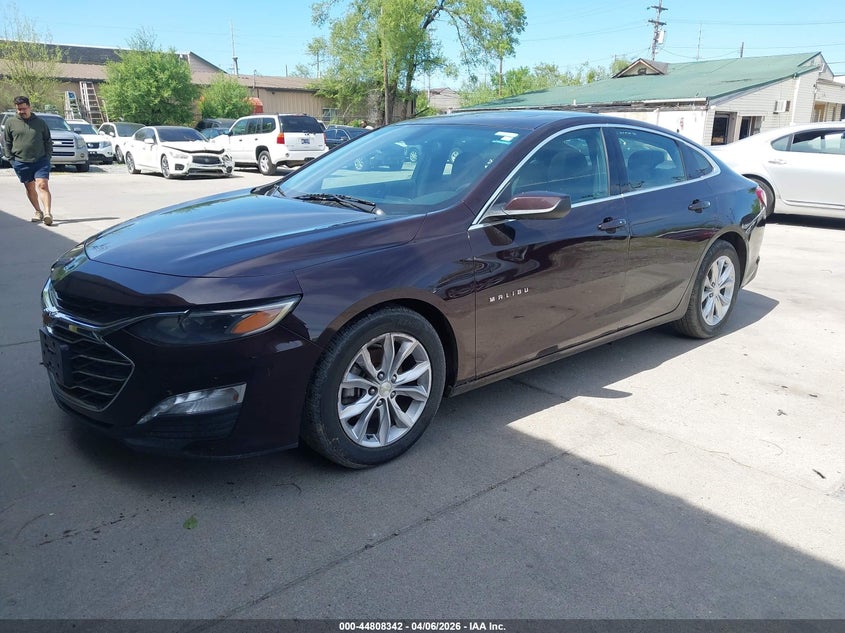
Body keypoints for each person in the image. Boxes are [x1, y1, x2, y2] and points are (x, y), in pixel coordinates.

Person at [1, 96, 54, 225]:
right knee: (30, 187)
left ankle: (47, 213)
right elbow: (7, 142)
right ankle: (38, 211)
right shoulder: (11, 123)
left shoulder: (40, 122)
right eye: (19, 109)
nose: (21, 111)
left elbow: (48, 141)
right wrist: (11, 159)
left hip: (40, 160)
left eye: (24, 109)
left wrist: (47, 156)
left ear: (29, 107)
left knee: (42, 185)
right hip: (21, 161)